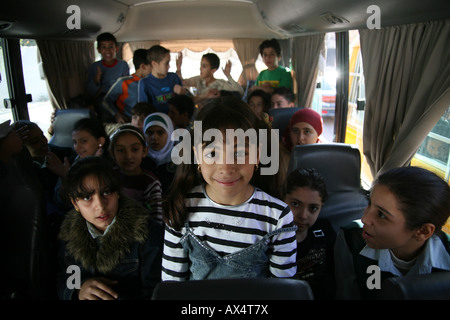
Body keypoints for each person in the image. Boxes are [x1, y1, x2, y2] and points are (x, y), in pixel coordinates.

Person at [161, 97, 297, 281]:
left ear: (258, 155)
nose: (226, 167)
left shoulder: (278, 217)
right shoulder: (179, 208)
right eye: (212, 153)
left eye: (240, 153)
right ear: (197, 157)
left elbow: (282, 290)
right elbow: (172, 286)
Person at [334, 166, 450, 300]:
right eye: (369, 203)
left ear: (423, 231)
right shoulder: (352, 239)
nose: (364, 219)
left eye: (382, 215)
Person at [57, 156, 164, 300]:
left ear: (118, 193)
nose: (100, 206)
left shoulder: (147, 234)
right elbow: (69, 274)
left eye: (106, 192)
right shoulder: (70, 235)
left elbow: (156, 292)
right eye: (87, 198)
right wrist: (80, 288)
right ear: (75, 203)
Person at [283, 168, 336, 299]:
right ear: (283, 199)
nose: (303, 216)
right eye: (295, 204)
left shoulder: (324, 230)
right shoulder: (269, 236)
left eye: (313, 208)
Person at [109, 125, 163, 223]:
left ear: (144, 151)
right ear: (112, 153)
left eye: (135, 149)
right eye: (121, 150)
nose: (128, 156)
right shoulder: (109, 176)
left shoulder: (150, 182)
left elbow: (157, 219)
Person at [86, 32, 130, 122]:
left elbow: (125, 85)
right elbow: (90, 92)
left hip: (118, 99)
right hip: (101, 102)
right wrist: (96, 79)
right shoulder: (94, 67)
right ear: (99, 50)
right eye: (103, 47)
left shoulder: (123, 65)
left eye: (111, 47)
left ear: (116, 49)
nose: (107, 51)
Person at [103, 49, 153, 124]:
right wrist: (117, 114)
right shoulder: (124, 82)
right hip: (128, 121)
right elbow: (106, 101)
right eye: (152, 65)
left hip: (149, 121)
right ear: (143, 66)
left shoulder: (153, 83)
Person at [177, 52, 244, 104]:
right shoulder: (197, 79)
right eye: (201, 65)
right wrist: (179, 68)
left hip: (211, 117)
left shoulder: (220, 83)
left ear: (213, 70)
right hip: (197, 118)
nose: (200, 68)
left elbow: (240, 92)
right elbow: (182, 83)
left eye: (204, 66)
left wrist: (228, 76)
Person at [138, 45, 184, 114]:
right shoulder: (145, 83)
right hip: (157, 121)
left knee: (197, 117)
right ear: (154, 64)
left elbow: (186, 103)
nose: (169, 66)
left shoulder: (174, 78)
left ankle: (199, 125)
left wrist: (183, 93)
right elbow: (144, 110)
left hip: (177, 120)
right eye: (166, 63)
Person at [141, 112, 177, 194]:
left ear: (169, 133)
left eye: (160, 133)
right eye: (150, 133)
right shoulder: (140, 158)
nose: (154, 137)